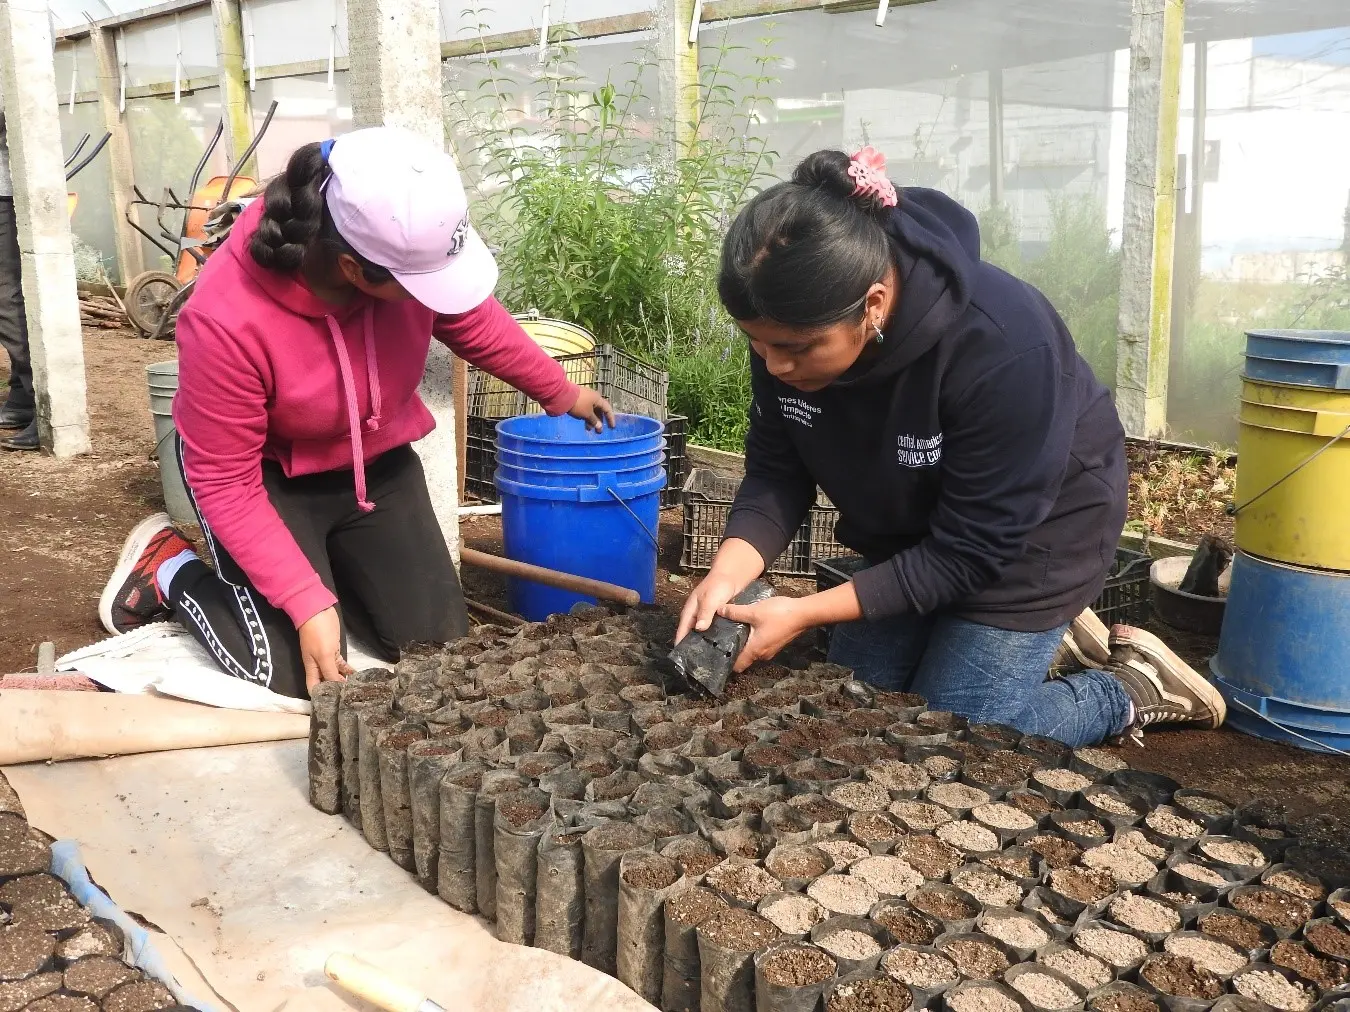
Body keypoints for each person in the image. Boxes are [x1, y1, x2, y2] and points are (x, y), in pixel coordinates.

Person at [677, 148, 1226, 749]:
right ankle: (1015, 646)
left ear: (873, 305)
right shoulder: (788, 328)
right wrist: (728, 572)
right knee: (854, 706)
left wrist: (803, 612)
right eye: (757, 344)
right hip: (908, 529)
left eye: (796, 348)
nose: (775, 366)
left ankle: (1128, 687)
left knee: (950, 738)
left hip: (1028, 540)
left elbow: (973, 549)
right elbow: (777, 473)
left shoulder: (1004, 347)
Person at [98, 127, 614, 698]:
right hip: (266, 480)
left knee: (439, 650)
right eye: (422, 286)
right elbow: (224, 481)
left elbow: (471, 318)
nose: (434, 296)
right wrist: (303, 599)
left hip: (375, 468)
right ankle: (168, 569)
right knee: (291, 673)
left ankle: (331, 572)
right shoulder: (224, 319)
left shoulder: (395, 249)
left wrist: (559, 391)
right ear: (353, 268)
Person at [0, 108, 37, 451]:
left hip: (4, 194)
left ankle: (40, 399)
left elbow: (10, 111)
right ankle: (22, 396)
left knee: (6, 300)